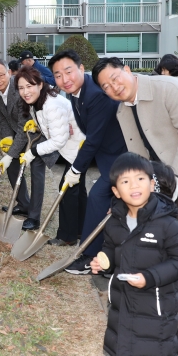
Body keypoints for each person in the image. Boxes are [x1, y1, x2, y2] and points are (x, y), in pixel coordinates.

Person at [93, 57, 178, 307]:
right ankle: (157, 289)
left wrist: (174, 179)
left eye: (114, 78)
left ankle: (174, 298)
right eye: (105, 87)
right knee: (157, 235)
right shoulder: (124, 110)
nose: (113, 87)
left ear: (127, 70)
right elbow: (139, 155)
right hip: (161, 181)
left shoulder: (169, 88)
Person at [91, 153, 178, 356]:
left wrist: (149, 277)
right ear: (116, 191)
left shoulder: (168, 223)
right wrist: (104, 260)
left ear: (151, 183)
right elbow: (112, 249)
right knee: (128, 351)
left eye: (140, 179)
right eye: (125, 181)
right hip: (125, 301)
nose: (134, 185)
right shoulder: (115, 221)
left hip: (156, 305)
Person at [48, 50, 127, 276]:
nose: (65, 79)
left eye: (69, 71)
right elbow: (88, 130)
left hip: (120, 157)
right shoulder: (77, 93)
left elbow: (93, 140)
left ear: (82, 69)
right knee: (111, 206)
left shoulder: (95, 95)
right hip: (107, 157)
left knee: (98, 198)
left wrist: (75, 169)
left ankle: (90, 256)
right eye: (58, 75)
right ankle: (105, 257)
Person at [15, 65, 84, 233]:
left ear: (40, 84)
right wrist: (38, 126)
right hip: (69, 146)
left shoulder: (51, 104)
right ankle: (81, 229)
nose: (25, 92)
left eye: (29, 86)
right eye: (21, 88)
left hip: (78, 148)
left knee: (68, 190)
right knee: (77, 191)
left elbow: (58, 140)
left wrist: (32, 152)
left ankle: (67, 235)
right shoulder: (36, 102)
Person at [0, 58, 31, 218]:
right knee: (12, 166)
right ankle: (23, 204)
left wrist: (11, 153)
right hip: (13, 128)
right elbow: (2, 116)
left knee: (36, 169)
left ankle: (34, 215)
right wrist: (7, 138)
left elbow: (23, 125)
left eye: (1, 75)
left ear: (9, 73)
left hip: (32, 131)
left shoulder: (20, 88)